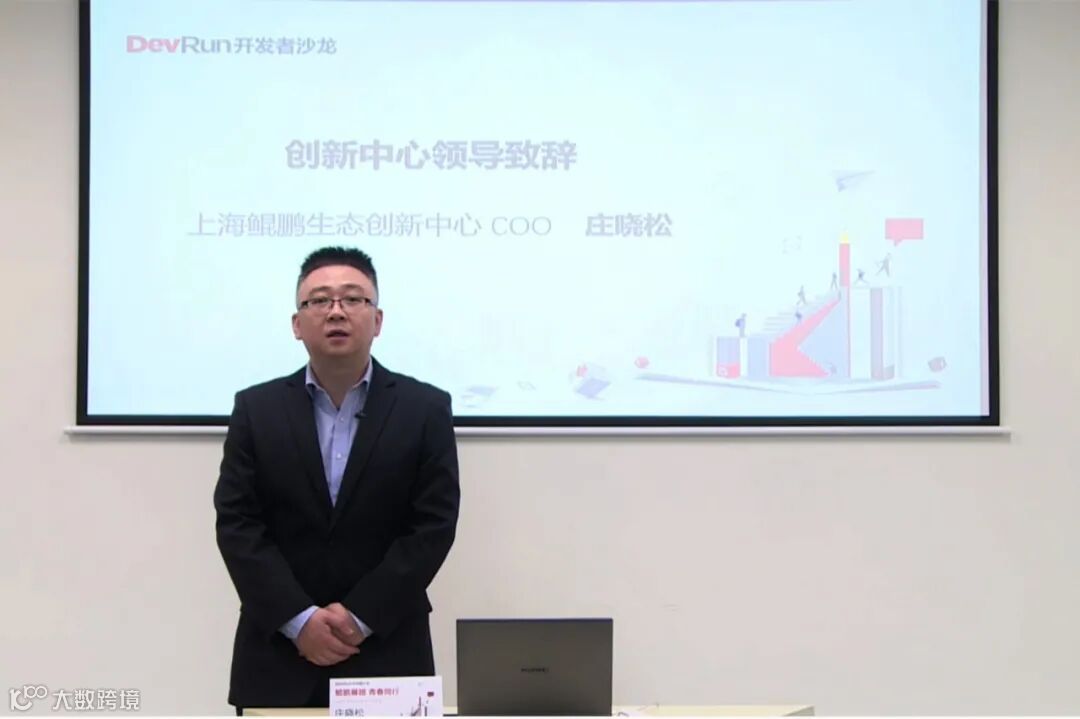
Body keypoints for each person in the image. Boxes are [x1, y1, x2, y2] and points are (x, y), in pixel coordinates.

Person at [213, 246, 460, 711]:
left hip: (387, 647)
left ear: (378, 320)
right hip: (278, 652)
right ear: (296, 324)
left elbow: (433, 526)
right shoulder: (256, 409)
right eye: (320, 300)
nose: (336, 312)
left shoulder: (425, 409)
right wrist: (298, 620)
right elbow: (238, 524)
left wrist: (360, 616)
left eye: (353, 298)